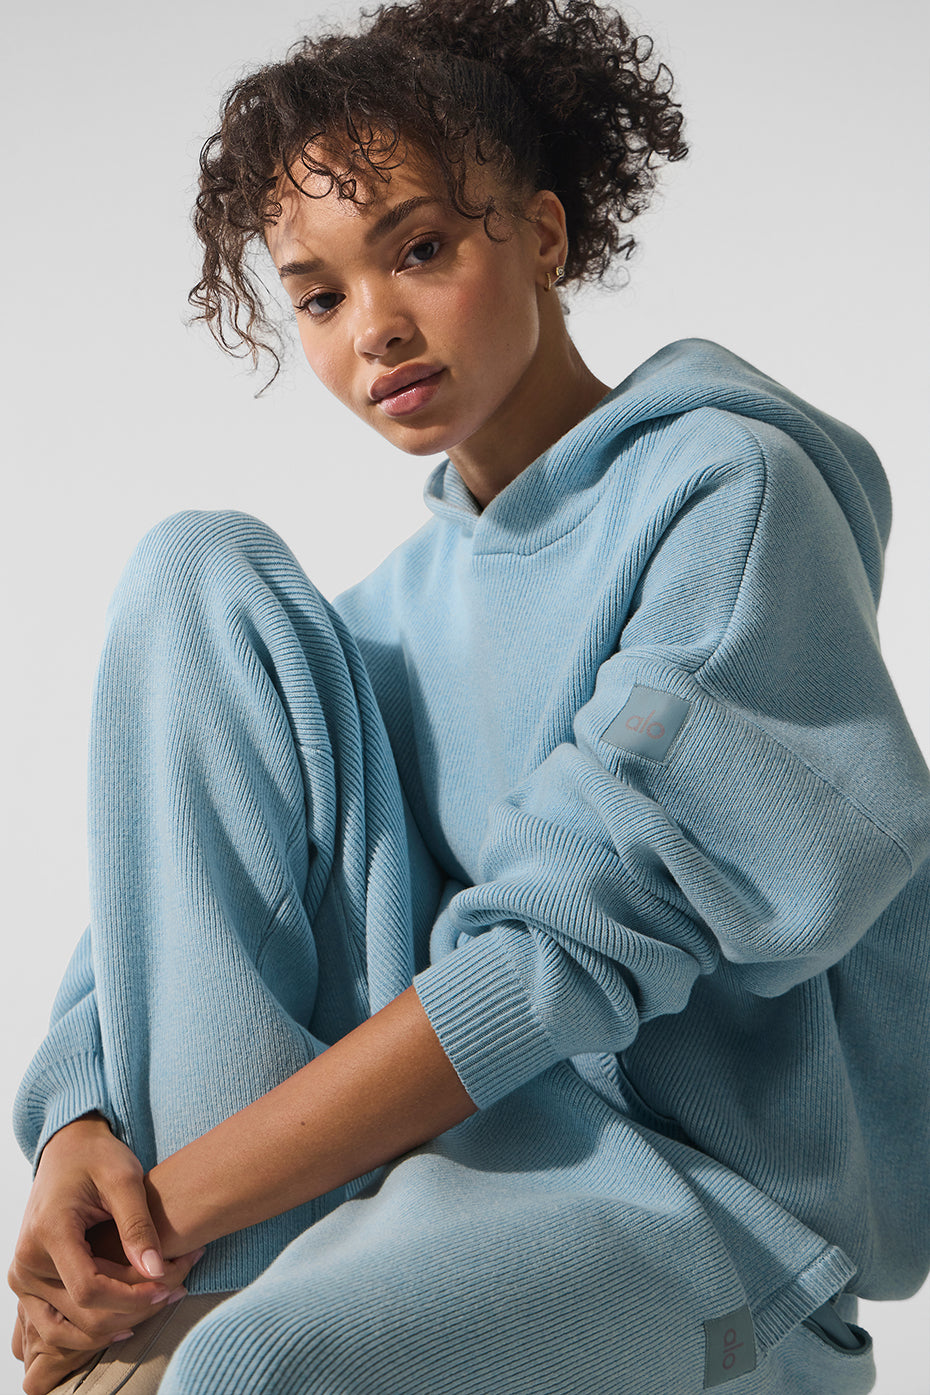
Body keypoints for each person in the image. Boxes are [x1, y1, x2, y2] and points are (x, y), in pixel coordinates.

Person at [8, 0, 930, 1391]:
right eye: (320, 297)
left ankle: (182, 1310)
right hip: (446, 1182)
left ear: (544, 235)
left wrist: (158, 1220)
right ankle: (195, 1302)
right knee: (194, 573)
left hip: (714, 1228)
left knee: (252, 1367)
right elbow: (173, 879)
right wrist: (79, 1131)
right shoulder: (390, 611)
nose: (375, 329)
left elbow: (563, 951)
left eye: (421, 250)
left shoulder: (728, 496)